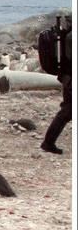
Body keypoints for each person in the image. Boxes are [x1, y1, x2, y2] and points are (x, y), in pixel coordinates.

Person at [40, 22, 72, 154]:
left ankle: (49, 142)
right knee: (68, 110)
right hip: (70, 77)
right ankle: (48, 142)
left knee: (68, 110)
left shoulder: (69, 34)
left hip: (67, 76)